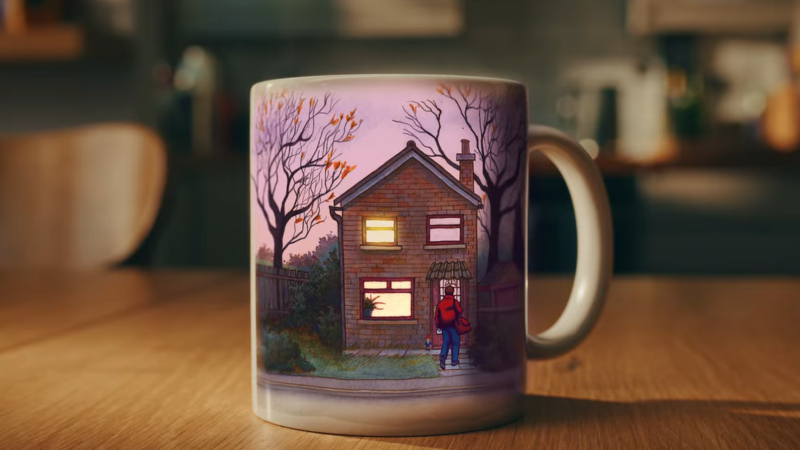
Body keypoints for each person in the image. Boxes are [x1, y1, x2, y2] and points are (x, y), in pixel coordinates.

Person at [434, 285, 462, 370]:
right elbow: (460, 311)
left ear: (445, 292)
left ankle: (442, 357)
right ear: (452, 292)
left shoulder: (440, 303)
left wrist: (438, 325)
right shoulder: (454, 302)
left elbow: (437, 316)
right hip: (454, 325)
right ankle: (454, 360)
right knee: (455, 342)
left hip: (444, 326)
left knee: (445, 342)